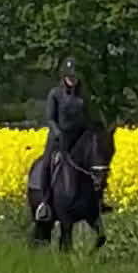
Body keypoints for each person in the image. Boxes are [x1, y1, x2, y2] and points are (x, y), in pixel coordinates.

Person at [36, 58, 86, 221]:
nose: (72, 79)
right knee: (45, 166)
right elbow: (50, 118)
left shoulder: (83, 97)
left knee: (95, 166)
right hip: (58, 140)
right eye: (69, 76)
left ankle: (96, 201)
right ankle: (44, 203)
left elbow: (87, 118)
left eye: (74, 76)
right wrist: (57, 133)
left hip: (77, 141)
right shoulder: (55, 94)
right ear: (64, 77)